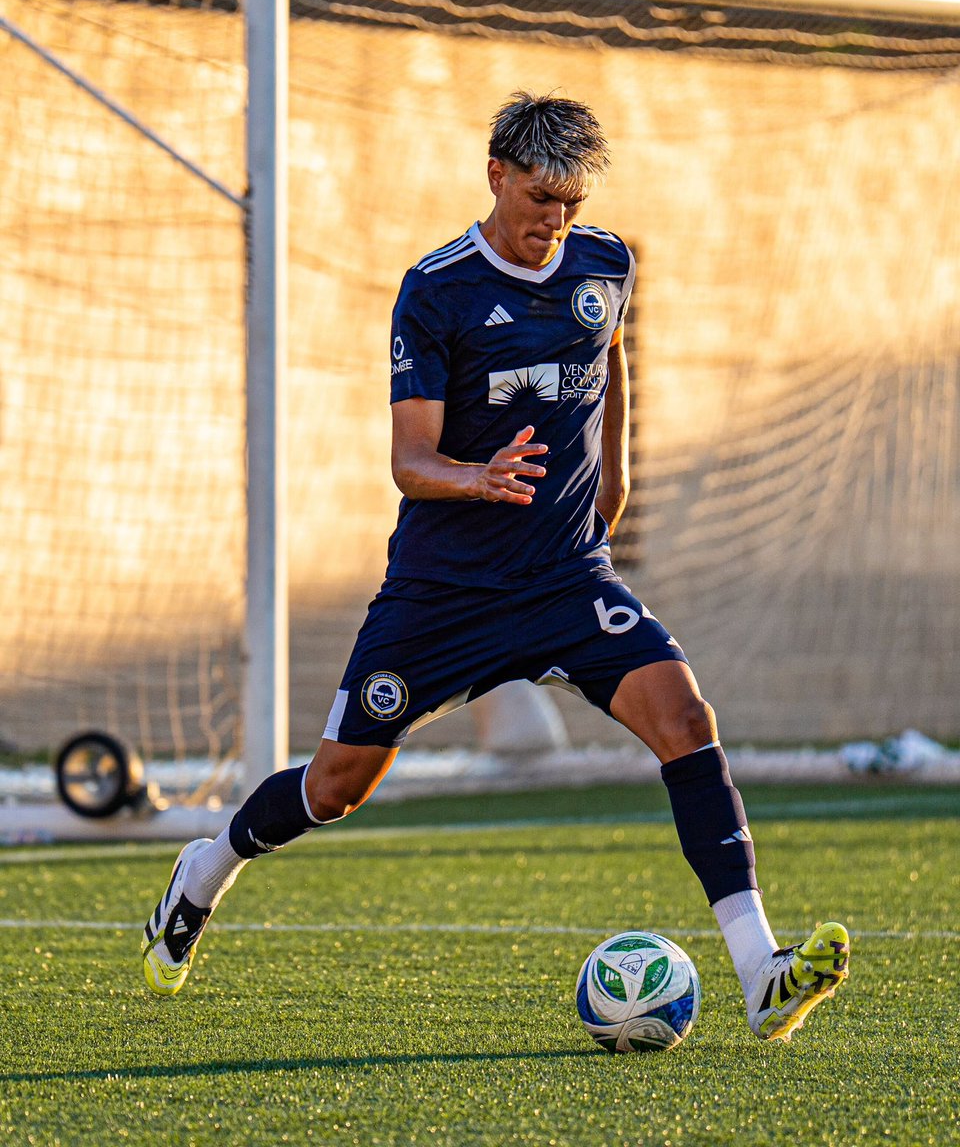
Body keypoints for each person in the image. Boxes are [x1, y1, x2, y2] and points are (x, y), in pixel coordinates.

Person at [142, 91, 849, 1042]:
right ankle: (206, 868)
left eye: (569, 203)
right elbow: (409, 460)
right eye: (539, 199)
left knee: (685, 720)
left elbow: (609, 357)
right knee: (336, 788)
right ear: (496, 175)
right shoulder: (435, 290)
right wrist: (477, 477)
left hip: (566, 579)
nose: (552, 221)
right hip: (447, 595)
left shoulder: (604, 265)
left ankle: (760, 970)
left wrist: (618, 471)